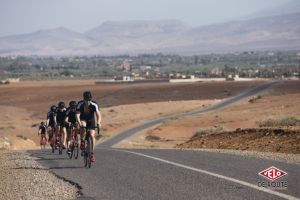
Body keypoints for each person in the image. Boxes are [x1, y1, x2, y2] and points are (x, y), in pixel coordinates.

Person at [76, 91, 101, 162]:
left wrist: (98, 123)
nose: (88, 102)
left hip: (91, 120)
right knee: (83, 126)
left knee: (92, 135)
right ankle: (82, 141)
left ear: (91, 99)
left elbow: (98, 114)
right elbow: (77, 115)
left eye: (89, 100)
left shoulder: (94, 104)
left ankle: (92, 153)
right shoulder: (80, 104)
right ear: (83, 99)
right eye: (86, 100)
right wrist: (79, 123)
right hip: (83, 119)